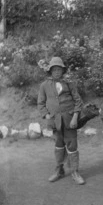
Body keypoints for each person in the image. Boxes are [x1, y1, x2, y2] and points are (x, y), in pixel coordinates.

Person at [37, 57, 85, 185]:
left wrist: (75, 117)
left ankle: (75, 171)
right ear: (50, 71)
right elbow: (40, 103)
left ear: (63, 71)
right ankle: (59, 170)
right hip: (54, 122)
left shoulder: (69, 84)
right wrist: (46, 115)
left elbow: (78, 102)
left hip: (70, 121)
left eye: (59, 69)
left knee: (72, 146)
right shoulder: (44, 85)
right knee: (58, 145)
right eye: (54, 69)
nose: (57, 72)